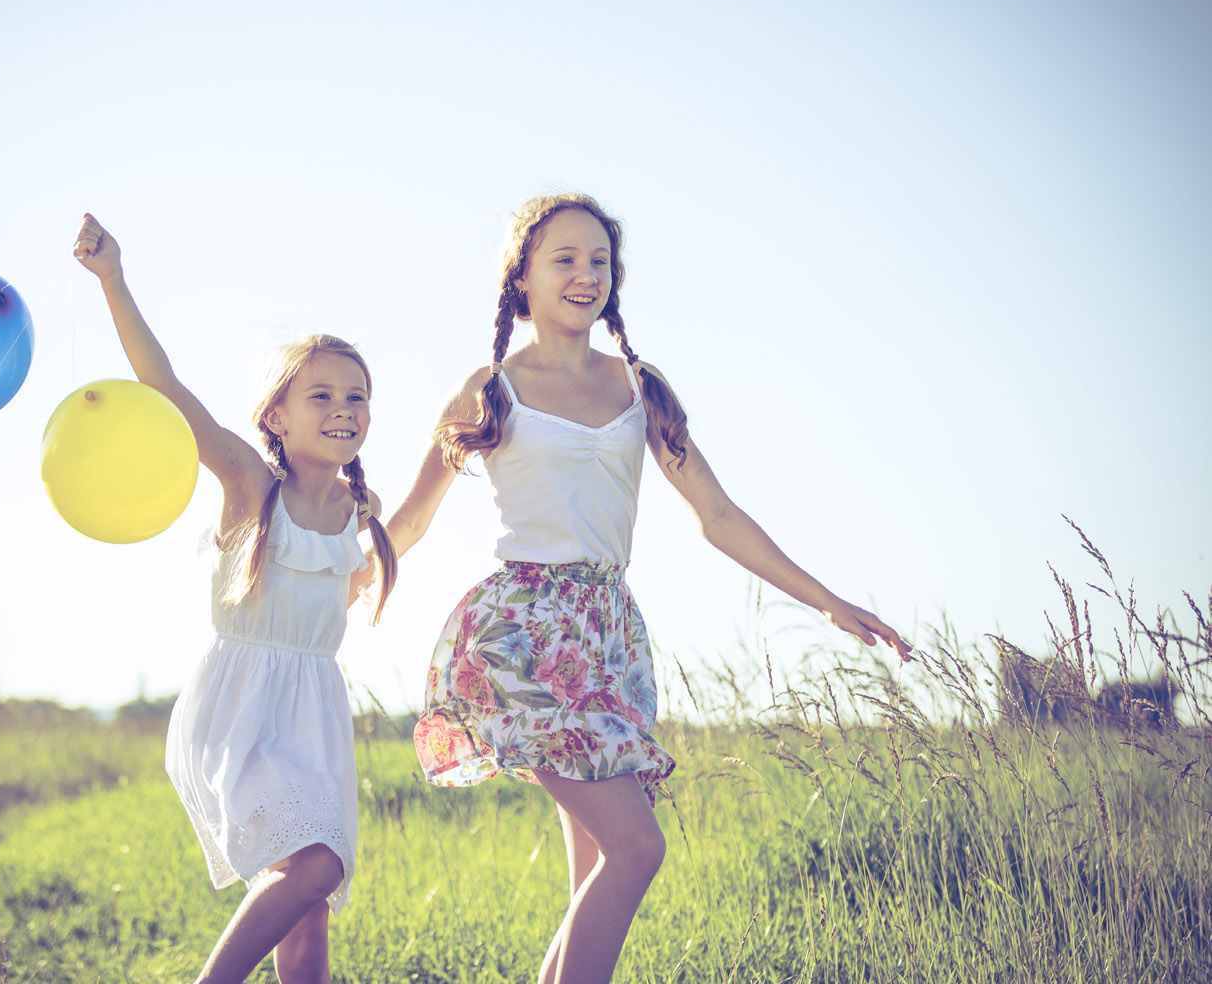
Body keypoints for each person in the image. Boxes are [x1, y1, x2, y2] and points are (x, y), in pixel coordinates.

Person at [374, 193, 912, 984]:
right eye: (565, 259)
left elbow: (718, 514)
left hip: (607, 638)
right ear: (521, 278)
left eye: (600, 261)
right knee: (636, 850)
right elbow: (412, 521)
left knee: (595, 870)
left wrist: (826, 599)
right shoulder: (490, 387)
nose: (586, 274)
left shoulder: (640, 389)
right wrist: (354, 572)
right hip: (522, 635)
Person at [73, 213, 396, 984]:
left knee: (308, 903)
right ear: (276, 416)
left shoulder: (356, 515)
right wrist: (113, 278)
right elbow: (164, 389)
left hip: (312, 717)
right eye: (320, 394)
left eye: (357, 394)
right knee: (313, 868)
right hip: (239, 713)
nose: (344, 407)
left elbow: (395, 531)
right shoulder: (253, 488)